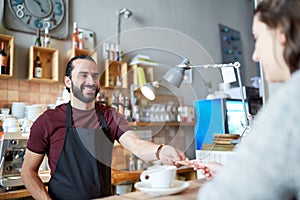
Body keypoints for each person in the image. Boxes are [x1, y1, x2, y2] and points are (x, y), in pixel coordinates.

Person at [21, 55, 186, 200]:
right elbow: (28, 172)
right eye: (83, 75)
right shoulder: (48, 121)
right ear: (68, 81)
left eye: (94, 76)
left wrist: (160, 150)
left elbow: (136, 144)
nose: (91, 82)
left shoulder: (110, 116)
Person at [192, 0, 300, 199]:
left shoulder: (289, 103)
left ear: (280, 34)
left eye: (257, 38)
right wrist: (231, 173)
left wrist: (230, 181)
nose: (255, 56)